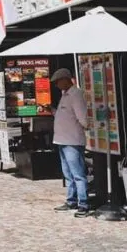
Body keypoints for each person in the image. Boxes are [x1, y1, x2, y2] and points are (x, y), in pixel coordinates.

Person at [51, 68, 90, 217]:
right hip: (62, 140)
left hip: (72, 140)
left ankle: (84, 204)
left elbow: (82, 118)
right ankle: (71, 200)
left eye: (57, 82)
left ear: (65, 79)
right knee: (68, 174)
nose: (56, 85)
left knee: (78, 173)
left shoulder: (76, 94)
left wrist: (85, 126)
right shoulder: (65, 95)